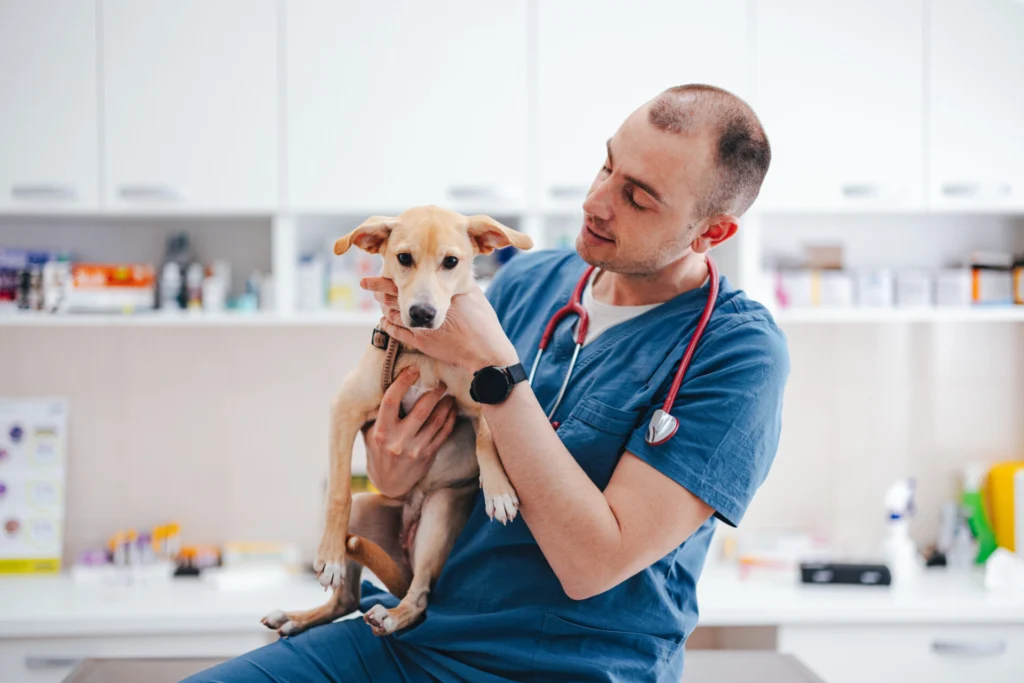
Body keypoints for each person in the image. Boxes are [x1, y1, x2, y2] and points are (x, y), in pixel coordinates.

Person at [185, 84, 789, 683]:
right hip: (411, 634)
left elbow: (592, 564)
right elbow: (415, 461)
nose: (596, 202)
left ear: (711, 233)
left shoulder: (735, 353)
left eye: (636, 196)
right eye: (606, 164)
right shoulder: (528, 281)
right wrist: (394, 468)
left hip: (567, 668)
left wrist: (493, 366)